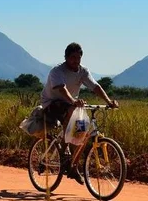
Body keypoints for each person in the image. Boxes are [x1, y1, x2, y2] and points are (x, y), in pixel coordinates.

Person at [40, 42, 119, 183]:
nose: (75, 61)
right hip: (52, 103)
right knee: (72, 110)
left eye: (78, 57)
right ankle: (64, 151)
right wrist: (73, 101)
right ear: (66, 57)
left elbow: (95, 86)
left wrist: (108, 102)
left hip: (71, 104)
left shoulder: (83, 71)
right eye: (72, 57)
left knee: (81, 132)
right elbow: (61, 89)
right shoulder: (57, 71)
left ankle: (73, 167)